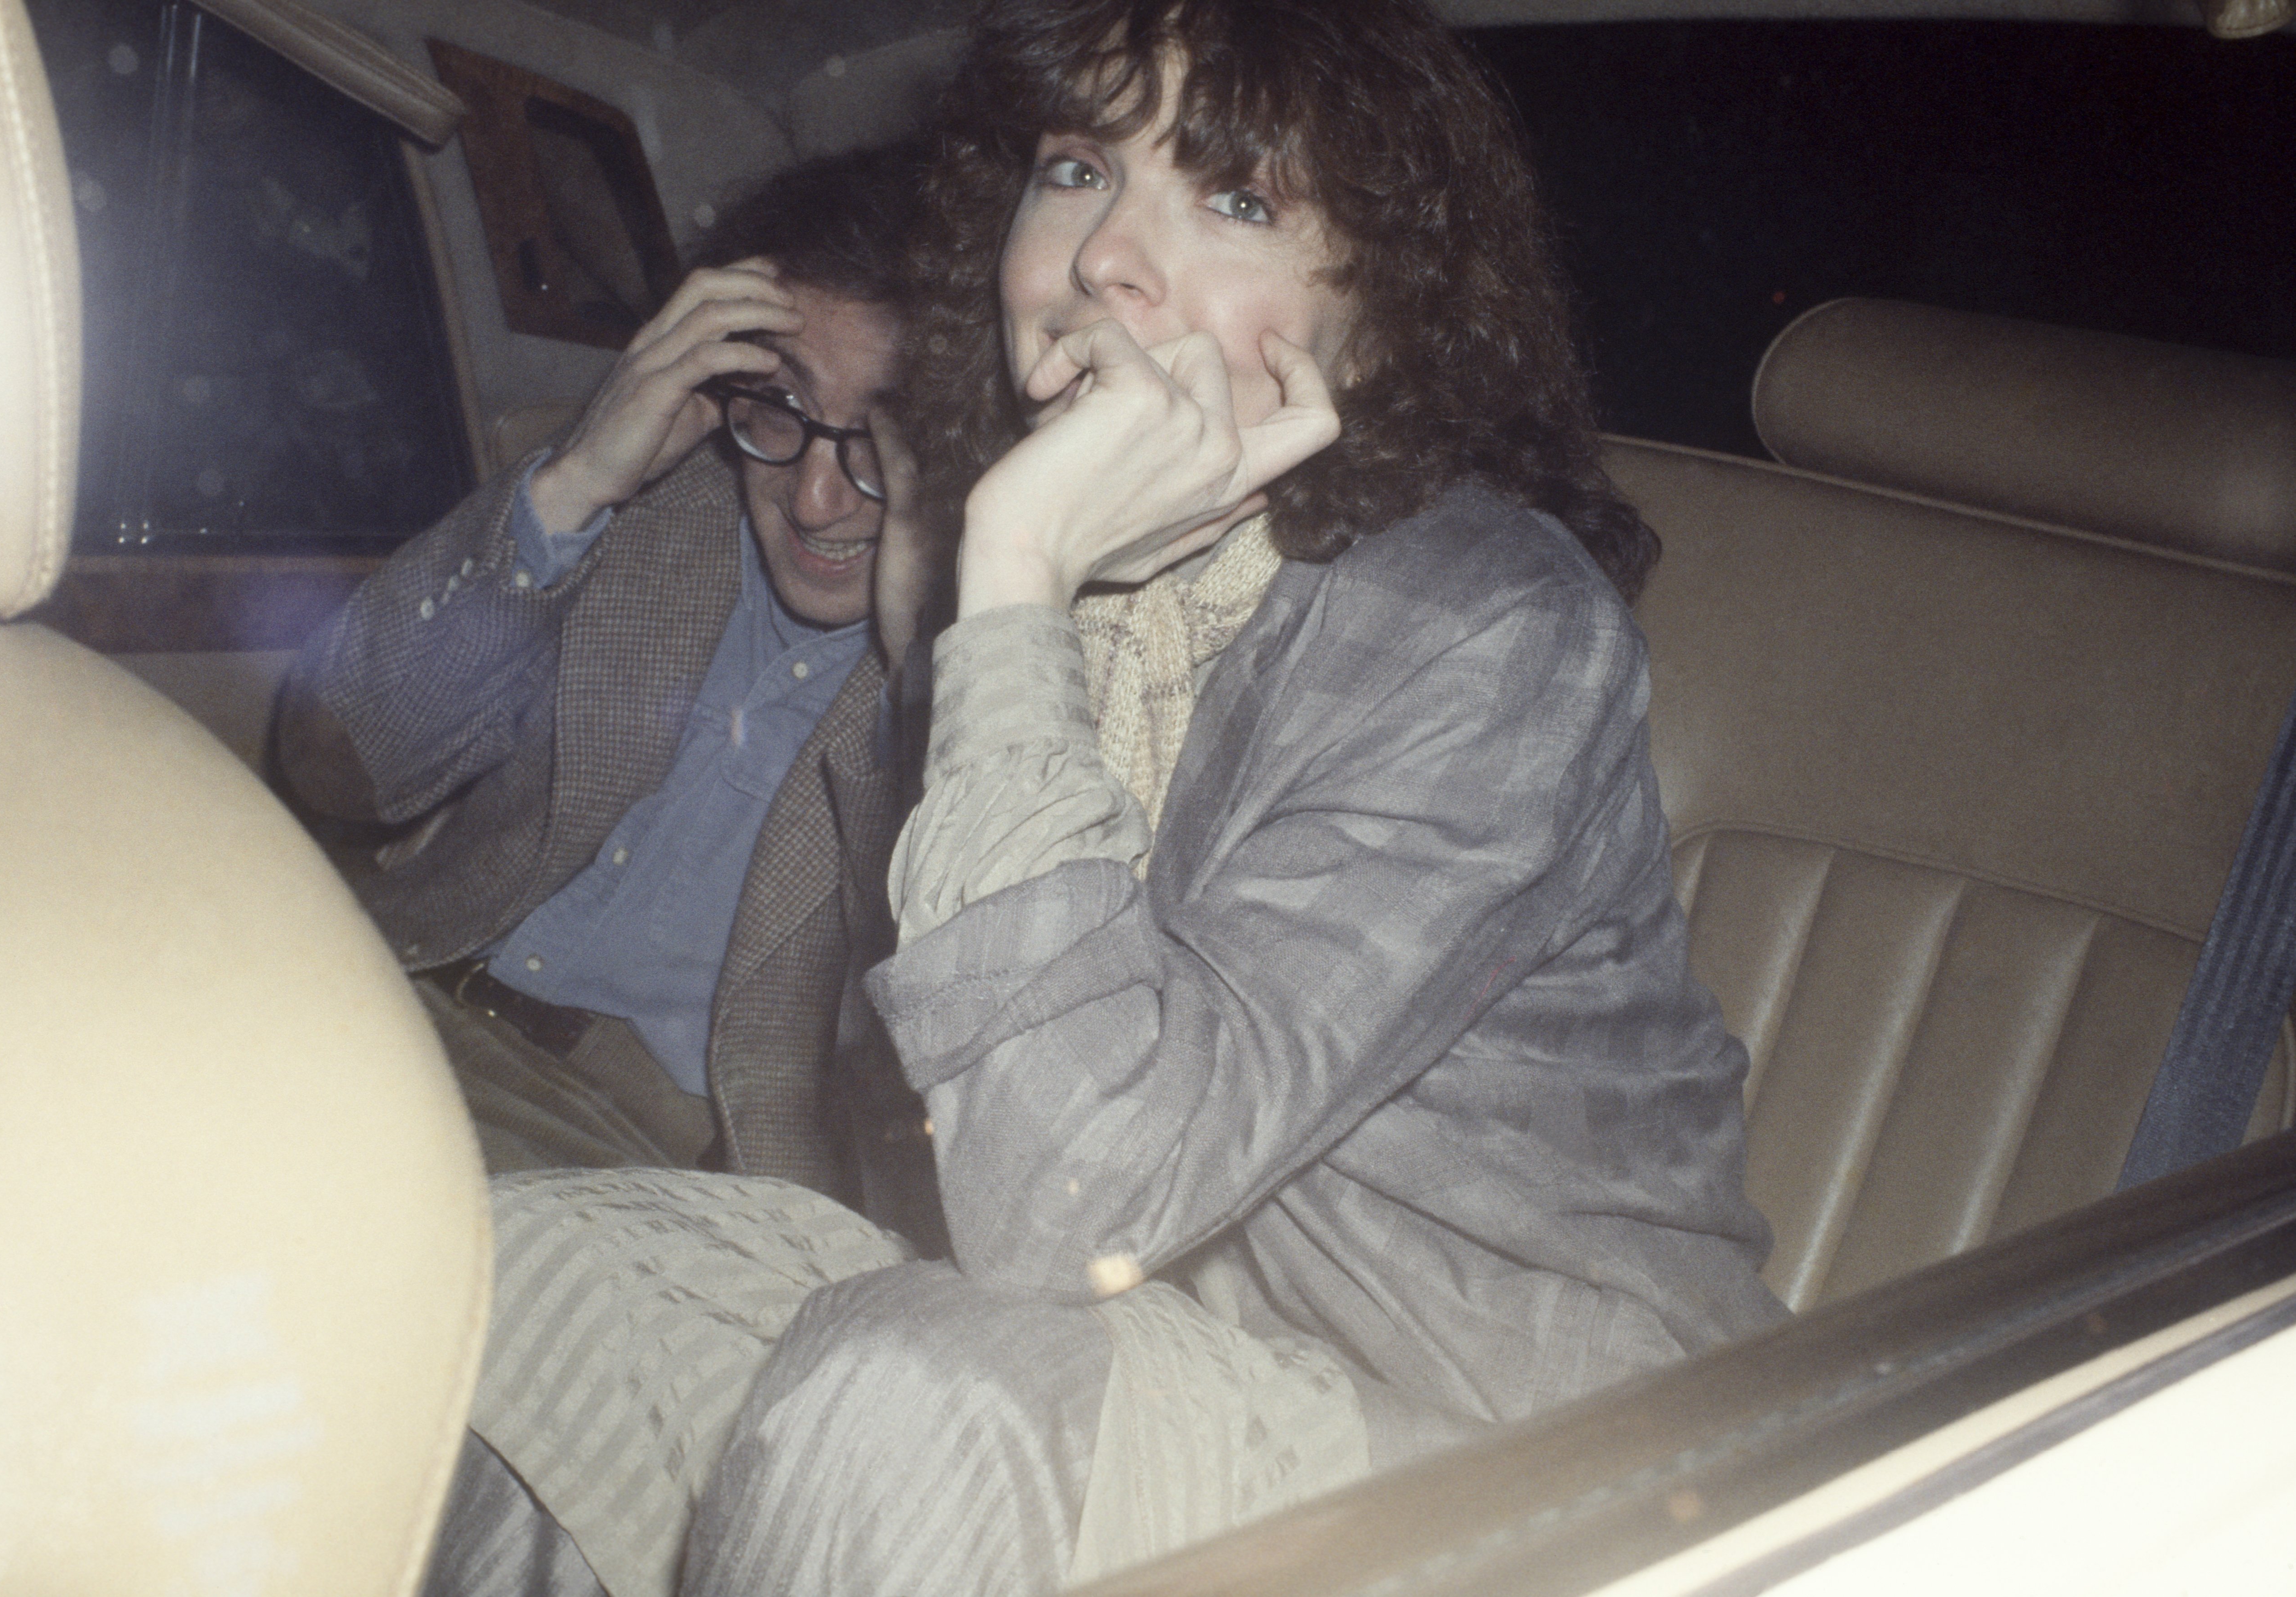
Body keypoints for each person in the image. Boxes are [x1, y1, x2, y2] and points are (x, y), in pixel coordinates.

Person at [435, 3, 1787, 1593]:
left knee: (912, 1386)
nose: (1100, 262)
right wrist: (1007, 601)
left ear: (1385, 313)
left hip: (1531, 1455)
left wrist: (1006, 580)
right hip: (1178, 1360)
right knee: (508, 1277)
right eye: (1075, 169)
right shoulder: (1060, 580)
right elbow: (918, 1129)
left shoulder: (1484, 630)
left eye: (1232, 199)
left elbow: (1050, 1198)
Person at [276, 143, 941, 1208]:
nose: (817, 497)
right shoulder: (656, 509)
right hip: (401, 1003)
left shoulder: (993, 667)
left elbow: (924, 1031)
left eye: (884, 441)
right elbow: (333, 764)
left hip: (646, 1153)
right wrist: (576, 483)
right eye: (777, 404)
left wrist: (927, 668)